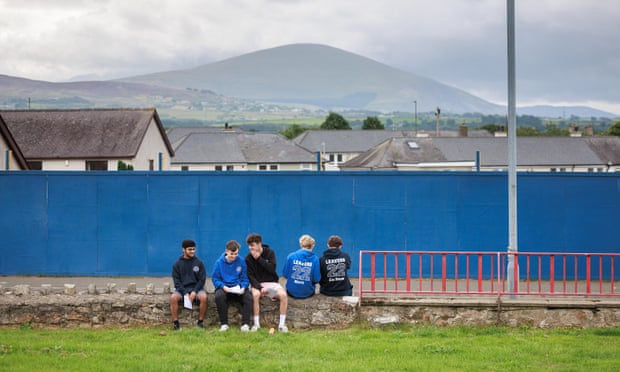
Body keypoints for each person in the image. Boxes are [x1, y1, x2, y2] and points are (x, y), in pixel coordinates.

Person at [245, 233, 289, 333]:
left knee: (283, 295)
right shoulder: (248, 258)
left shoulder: (270, 253)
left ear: (259, 244)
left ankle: (282, 325)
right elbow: (250, 276)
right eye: (249, 245)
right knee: (255, 295)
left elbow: (272, 269)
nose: (250, 248)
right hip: (258, 285)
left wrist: (259, 259)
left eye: (252, 245)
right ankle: (256, 325)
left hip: (271, 284)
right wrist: (260, 288)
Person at [212, 240, 253, 332]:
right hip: (225, 288)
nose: (234, 256)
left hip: (238, 288)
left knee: (248, 298)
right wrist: (223, 286)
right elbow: (215, 279)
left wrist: (243, 287)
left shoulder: (241, 261)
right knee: (219, 296)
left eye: (236, 254)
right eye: (232, 254)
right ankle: (224, 324)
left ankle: (245, 324)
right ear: (226, 251)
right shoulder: (219, 263)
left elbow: (245, 278)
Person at [170, 239, 208, 331]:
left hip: (196, 289)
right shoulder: (177, 264)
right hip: (182, 290)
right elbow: (177, 281)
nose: (192, 251)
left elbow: (202, 280)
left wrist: (194, 292)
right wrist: (185, 293)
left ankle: (200, 323)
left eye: (193, 249)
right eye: (190, 249)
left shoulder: (199, 263)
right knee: (173, 298)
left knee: (204, 297)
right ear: (184, 250)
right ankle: (176, 324)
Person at [283, 234, 321, 299]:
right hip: (308, 292)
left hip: (291, 292)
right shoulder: (315, 259)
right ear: (312, 246)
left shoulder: (291, 256)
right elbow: (316, 279)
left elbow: (285, 274)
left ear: (301, 244)